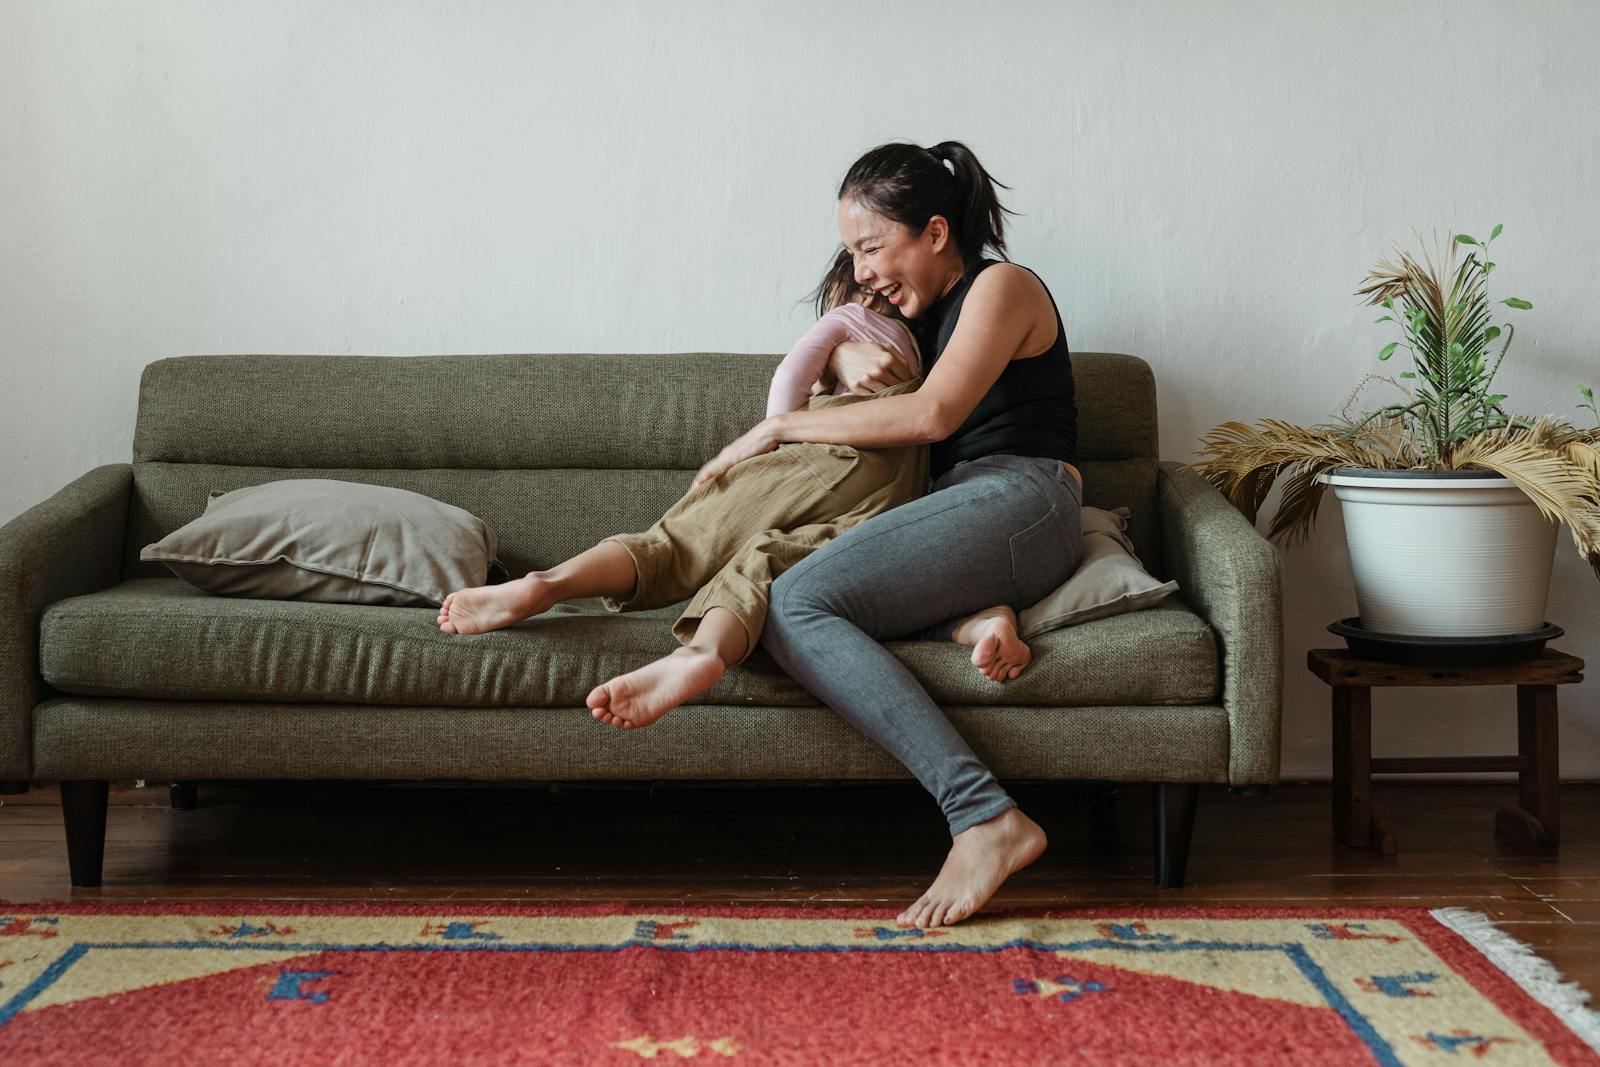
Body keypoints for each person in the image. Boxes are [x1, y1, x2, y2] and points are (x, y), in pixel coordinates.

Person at [691, 141, 1084, 930]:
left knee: (797, 601)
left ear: (936, 232)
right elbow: (861, 365)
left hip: (1023, 495)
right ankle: (976, 613)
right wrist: (840, 349)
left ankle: (985, 817)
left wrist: (776, 430)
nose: (863, 269)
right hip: (954, 511)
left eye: (873, 246)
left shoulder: (1002, 287)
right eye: (853, 253)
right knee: (795, 588)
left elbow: (934, 414)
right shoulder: (918, 317)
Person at [432, 248, 1039, 731]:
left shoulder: (847, 319)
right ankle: (702, 655)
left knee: (675, 544)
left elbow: (790, 377)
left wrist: (780, 426)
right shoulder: (931, 339)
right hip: (899, 489)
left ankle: (548, 585)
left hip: (832, 452)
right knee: (770, 562)